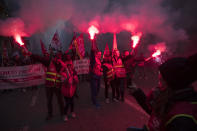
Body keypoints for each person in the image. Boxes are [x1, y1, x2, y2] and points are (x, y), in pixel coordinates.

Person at [127, 53, 197, 131]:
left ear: (172, 83)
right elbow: (157, 113)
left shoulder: (183, 119)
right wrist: (137, 92)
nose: (158, 84)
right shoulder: (171, 98)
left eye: (161, 80)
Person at [30, 50, 64, 121]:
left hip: (57, 86)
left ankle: (63, 114)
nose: (58, 58)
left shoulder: (61, 64)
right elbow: (40, 58)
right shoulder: (49, 62)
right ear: (54, 57)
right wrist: (31, 54)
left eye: (59, 57)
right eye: (56, 57)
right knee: (49, 101)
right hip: (49, 86)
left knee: (60, 100)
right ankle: (50, 114)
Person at [58, 55, 79, 122]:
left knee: (72, 102)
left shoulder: (73, 72)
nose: (70, 67)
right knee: (67, 103)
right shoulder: (63, 73)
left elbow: (76, 81)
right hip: (66, 91)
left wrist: (75, 79)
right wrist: (67, 78)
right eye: (68, 66)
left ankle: (72, 112)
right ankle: (64, 114)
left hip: (72, 90)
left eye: (70, 66)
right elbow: (62, 81)